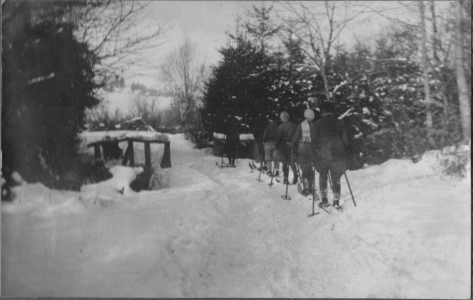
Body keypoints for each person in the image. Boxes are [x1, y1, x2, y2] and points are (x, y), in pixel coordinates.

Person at [313, 103, 349, 209]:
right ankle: (336, 200)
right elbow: (345, 141)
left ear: (323, 111)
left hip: (324, 153)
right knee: (336, 177)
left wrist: (315, 151)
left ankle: (324, 199)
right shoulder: (340, 123)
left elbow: (314, 140)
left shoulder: (318, 123)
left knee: (323, 176)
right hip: (338, 153)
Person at [291, 109, 316, 196]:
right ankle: (311, 186)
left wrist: (293, 148)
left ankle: (306, 187)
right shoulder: (315, 125)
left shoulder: (301, 125)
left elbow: (295, 139)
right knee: (311, 168)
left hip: (302, 149)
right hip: (312, 149)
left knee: (304, 168)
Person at [275, 111, 298, 185]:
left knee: (284, 162)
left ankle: (285, 178)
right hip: (292, 144)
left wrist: (276, 146)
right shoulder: (294, 125)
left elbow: (278, 138)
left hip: (282, 146)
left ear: (282, 118)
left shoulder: (281, 127)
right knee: (292, 162)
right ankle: (295, 175)